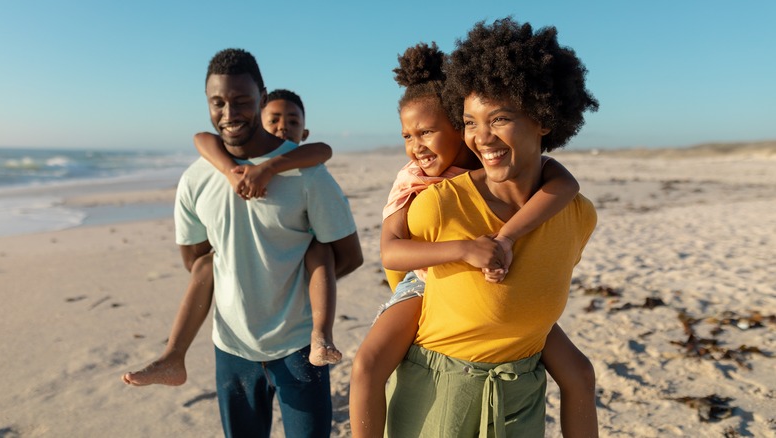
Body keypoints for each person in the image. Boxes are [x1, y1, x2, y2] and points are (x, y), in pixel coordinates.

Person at [349, 42, 597, 438]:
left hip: (519, 394)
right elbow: (392, 253)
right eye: (471, 122)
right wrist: (466, 248)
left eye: (498, 119)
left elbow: (563, 182)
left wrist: (508, 236)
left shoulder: (573, 211)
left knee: (580, 372)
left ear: (544, 117)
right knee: (368, 363)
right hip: (422, 290)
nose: (482, 137)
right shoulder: (424, 195)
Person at [171, 48, 362, 437]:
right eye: (218, 103)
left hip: (298, 347)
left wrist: (291, 288)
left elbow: (348, 255)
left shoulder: (308, 174)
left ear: (261, 95)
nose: (229, 113)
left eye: (241, 101)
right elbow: (195, 259)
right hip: (231, 348)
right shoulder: (196, 177)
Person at [121, 89, 341, 387]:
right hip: (234, 334)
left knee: (321, 251)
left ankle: (321, 335)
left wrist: (268, 167)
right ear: (258, 123)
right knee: (205, 264)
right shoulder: (220, 167)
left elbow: (323, 149)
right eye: (273, 119)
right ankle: (173, 355)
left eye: (292, 121)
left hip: (299, 280)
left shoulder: (307, 167)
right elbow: (201, 138)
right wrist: (230, 172)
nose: (282, 127)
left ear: (304, 131)